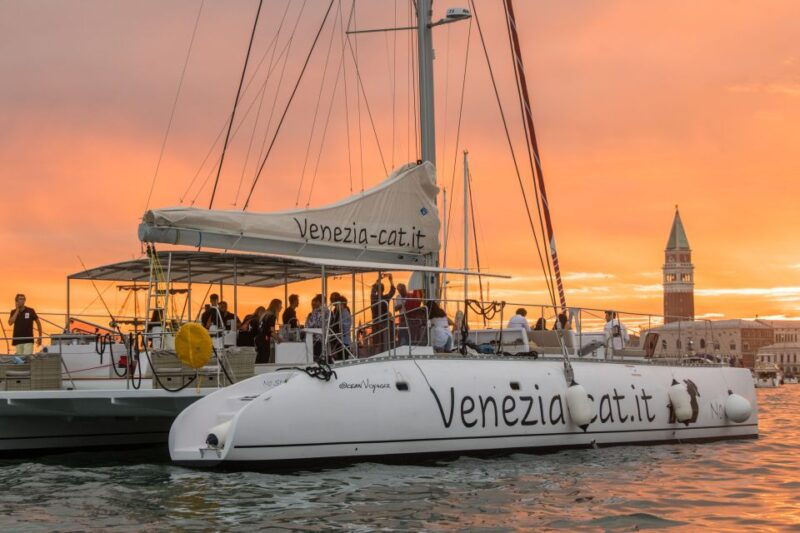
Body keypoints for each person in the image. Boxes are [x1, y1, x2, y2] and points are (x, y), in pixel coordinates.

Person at [370, 273, 395, 352]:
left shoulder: (373, 297)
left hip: (376, 323)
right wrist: (391, 280)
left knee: (377, 343)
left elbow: (373, 289)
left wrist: (378, 280)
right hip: (384, 322)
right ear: (383, 290)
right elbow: (393, 291)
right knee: (385, 342)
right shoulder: (385, 297)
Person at [305, 294, 329, 361]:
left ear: (319, 301)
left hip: (317, 339)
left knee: (316, 358)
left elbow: (310, 324)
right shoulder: (328, 311)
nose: (315, 303)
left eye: (316, 301)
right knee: (322, 358)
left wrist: (305, 325)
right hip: (325, 338)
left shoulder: (317, 311)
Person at [259, 299, 282, 364]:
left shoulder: (265, 314)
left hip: (260, 339)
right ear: (276, 306)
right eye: (280, 305)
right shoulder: (272, 316)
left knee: (261, 360)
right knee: (264, 361)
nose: (281, 307)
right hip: (264, 340)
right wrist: (279, 339)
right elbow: (271, 331)